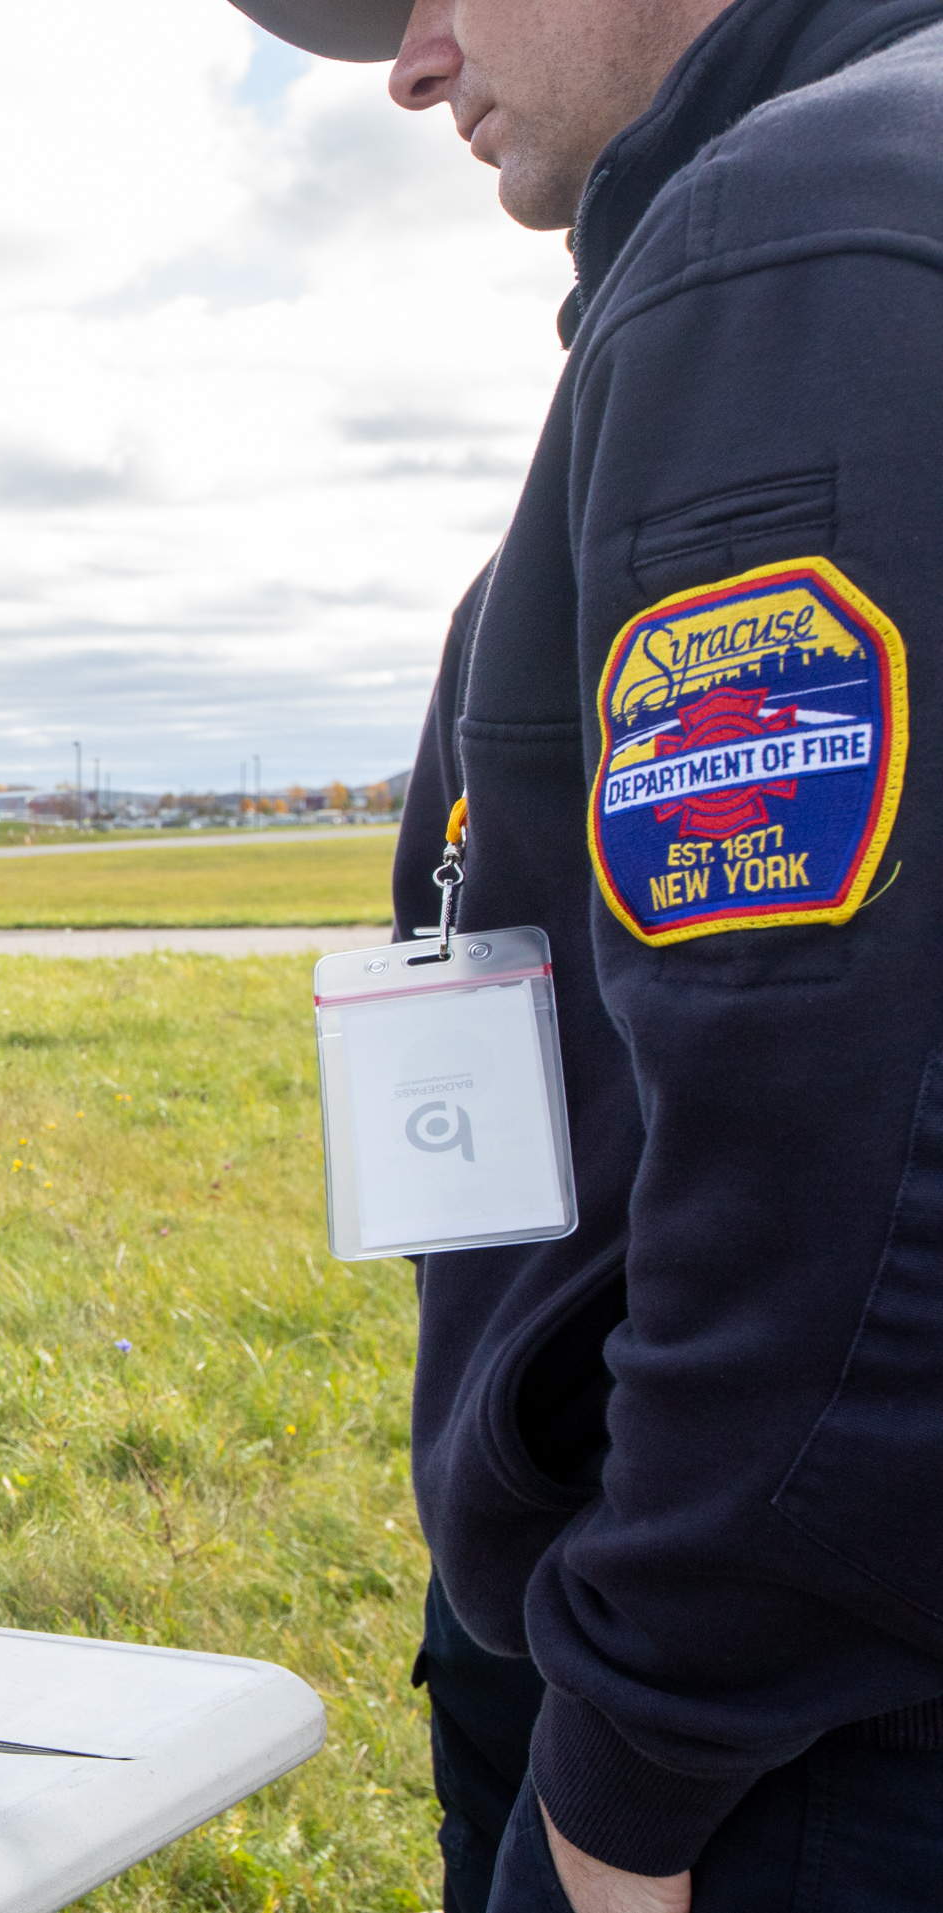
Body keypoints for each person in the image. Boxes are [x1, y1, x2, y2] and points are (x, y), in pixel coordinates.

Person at [228, 1, 943, 1907]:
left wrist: (636, 1755)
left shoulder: (800, 234)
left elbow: (833, 1159)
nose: (412, 60)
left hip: (800, 1750)